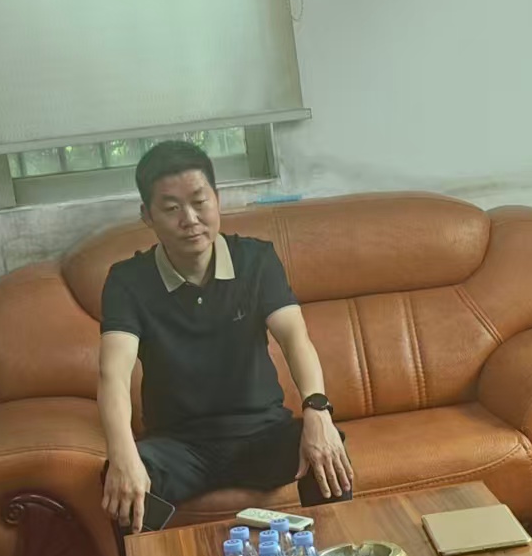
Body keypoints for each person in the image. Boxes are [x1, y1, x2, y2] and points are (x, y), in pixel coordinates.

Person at [95, 140, 354, 533]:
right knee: (124, 486)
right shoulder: (127, 281)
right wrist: (122, 454)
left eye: (200, 201)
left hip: (261, 435)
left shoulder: (256, 260)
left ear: (217, 199)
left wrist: (318, 410)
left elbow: (295, 338)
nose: (190, 219)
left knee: (328, 453)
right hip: (179, 445)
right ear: (147, 215)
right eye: (171, 208)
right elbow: (113, 374)